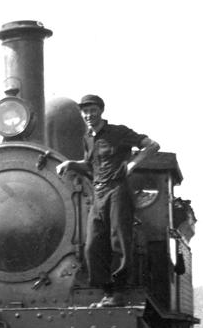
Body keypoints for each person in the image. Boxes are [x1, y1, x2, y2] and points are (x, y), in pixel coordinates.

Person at [56, 95, 160, 307]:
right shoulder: (87, 138)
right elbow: (89, 165)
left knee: (118, 240)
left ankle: (119, 291)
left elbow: (152, 145)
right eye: (84, 112)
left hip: (118, 190)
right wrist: (70, 164)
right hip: (99, 192)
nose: (88, 115)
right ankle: (107, 291)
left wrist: (132, 164)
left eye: (92, 110)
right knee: (92, 245)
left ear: (101, 111)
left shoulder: (118, 132)